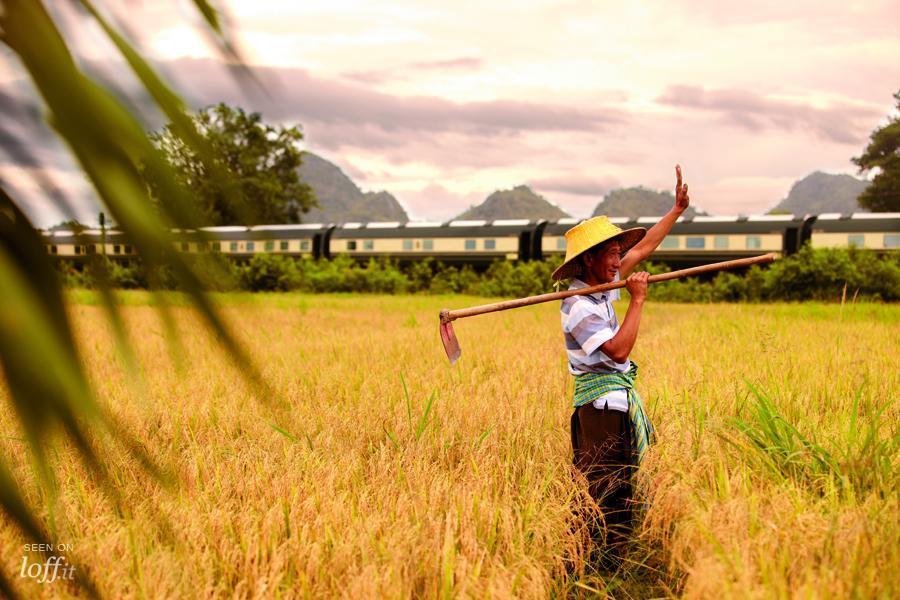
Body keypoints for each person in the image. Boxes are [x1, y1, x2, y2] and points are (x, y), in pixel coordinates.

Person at [554, 165, 691, 559]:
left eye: (618, 254)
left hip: (618, 405)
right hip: (598, 410)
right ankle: (583, 563)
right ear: (590, 260)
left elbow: (643, 249)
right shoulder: (578, 304)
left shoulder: (603, 290)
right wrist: (640, 301)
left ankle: (614, 563)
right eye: (612, 255)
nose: (619, 262)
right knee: (598, 490)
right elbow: (617, 351)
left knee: (622, 487)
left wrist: (676, 211)